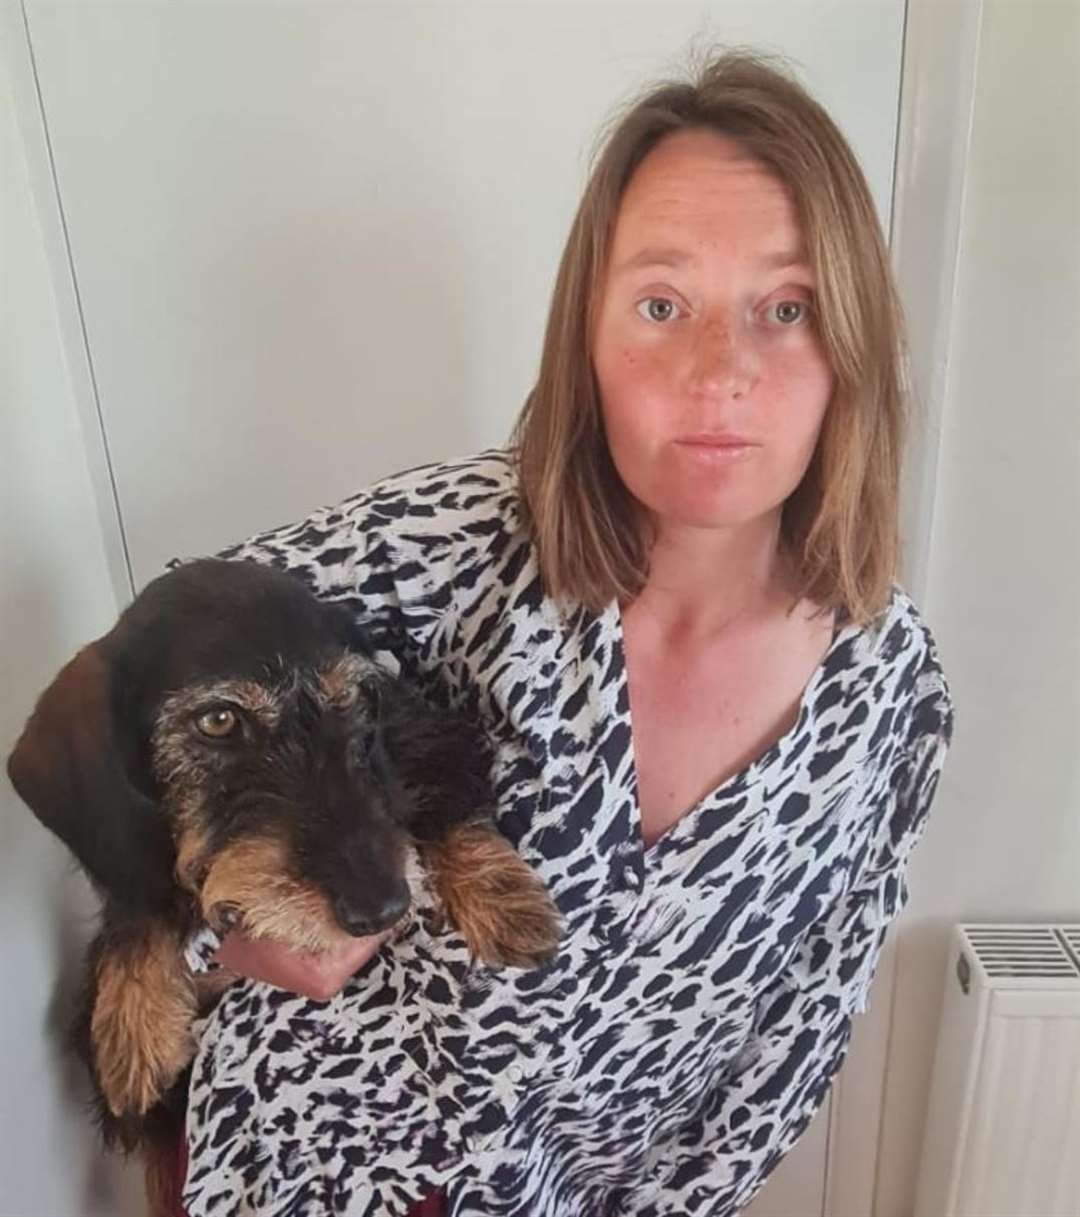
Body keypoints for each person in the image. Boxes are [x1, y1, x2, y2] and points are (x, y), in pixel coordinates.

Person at [175, 48, 953, 1217]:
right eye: (660, 304)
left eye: (784, 308)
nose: (719, 373)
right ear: (586, 339)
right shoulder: (461, 539)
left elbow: (794, 1037)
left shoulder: (891, 694)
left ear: (850, 343)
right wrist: (219, 928)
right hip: (301, 1153)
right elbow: (166, 656)